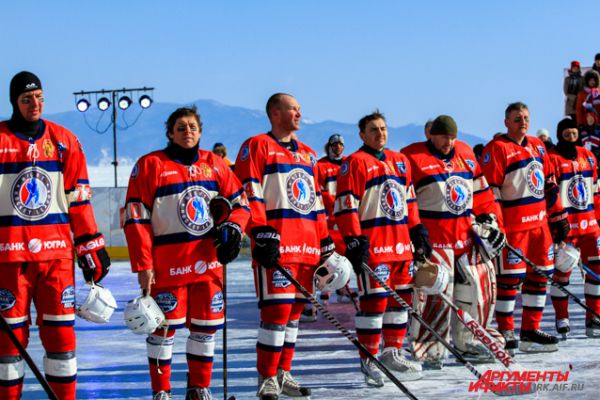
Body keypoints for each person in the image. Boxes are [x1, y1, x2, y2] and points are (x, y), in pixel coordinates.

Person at [123, 106, 249, 400]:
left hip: (207, 264)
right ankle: (161, 392)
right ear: (170, 133)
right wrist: (143, 264)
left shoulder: (215, 165)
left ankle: (198, 388)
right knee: (162, 331)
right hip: (169, 266)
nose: (187, 132)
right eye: (181, 127)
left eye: (192, 127)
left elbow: (241, 203)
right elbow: (135, 217)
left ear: (200, 131)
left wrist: (233, 227)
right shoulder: (151, 164)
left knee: (205, 331)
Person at [0, 71, 111, 400]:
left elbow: (80, 200)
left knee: (62, 341)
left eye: (39, 97)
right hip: (8, 257)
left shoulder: (65, 140)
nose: (34, 104)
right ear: (14, 102)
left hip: (56, 258)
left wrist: (90, 243)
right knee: (8, 345)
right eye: (26, 99)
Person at [234, 93, 333, 400]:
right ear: (276, 113)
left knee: (294, 315)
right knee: (276, 313)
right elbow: (248, 193)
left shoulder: (308, 154)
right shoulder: (256, 146)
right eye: (294, 109)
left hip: (307, 247)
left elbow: (315, 200)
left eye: (300, 109)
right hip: (278, 247)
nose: (299, 114)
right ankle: (266, 377)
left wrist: (325, 237)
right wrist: (260, 232)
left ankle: (283, 372)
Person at [402, 115, 505, 368]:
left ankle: (468, 341)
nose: (448, 142)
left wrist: (489, 219)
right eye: (443, 137)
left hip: (465, 237)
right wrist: (412, 233)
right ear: (431, 135)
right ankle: (429, 348)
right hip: (434, 240)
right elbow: (404, 199)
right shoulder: (411, 157)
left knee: (477, 291)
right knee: (435, 295)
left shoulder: (466, 154)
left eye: (452, 137)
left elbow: (481, 193)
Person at [335, 110, 426, 386]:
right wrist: (353, 238)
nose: (380, 133)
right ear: (362, 135)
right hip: (375, 246)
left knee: (401, 301)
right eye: (373, 130)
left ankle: (392, 352)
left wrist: (418, 231)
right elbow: (346, 204)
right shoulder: (354, 163)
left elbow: (409, 202)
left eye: (383, 128)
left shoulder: (400, 162)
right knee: (374, 304)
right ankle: (369, 358)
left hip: (401, 246)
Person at [481, 102, 570, 354]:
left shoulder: (538, 145)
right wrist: (496, 225)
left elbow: (549, 184)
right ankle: (505, 330)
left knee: (541, 276)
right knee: (509, 280)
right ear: (506, 122)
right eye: (517, 118)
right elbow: (492, 192)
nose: (523, 122)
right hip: (514, 227)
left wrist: (558, 215)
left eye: (526, 118)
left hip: (539, 226)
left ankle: (531, 330)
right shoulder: (497, 149)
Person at [548, 118, 600, 338]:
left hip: (590, 227)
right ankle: (562, 317)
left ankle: (594, 316)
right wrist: (555, 226)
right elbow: (550, 195)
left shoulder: (588, 156)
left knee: (596, 272)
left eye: (573, 133)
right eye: (566, 134)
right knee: (562, 274)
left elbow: (596, 192)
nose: (570, 137)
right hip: (567, 229)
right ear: (560, 135)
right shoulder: (552, 158)